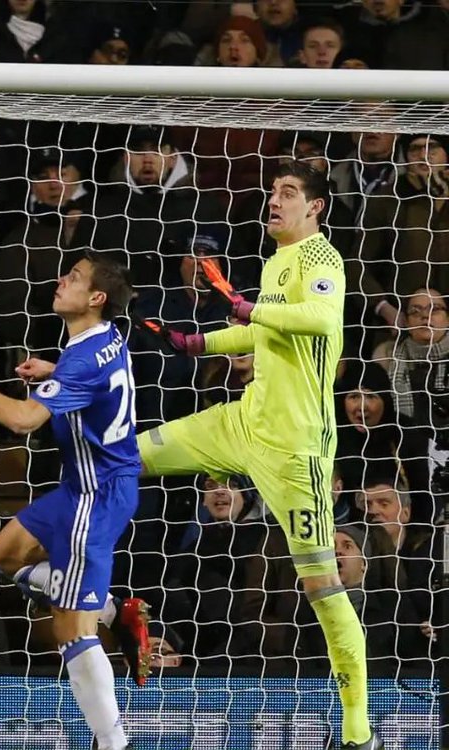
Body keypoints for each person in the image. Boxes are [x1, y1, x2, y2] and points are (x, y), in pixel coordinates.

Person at [138, 161, 380, 750]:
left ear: (315, 207)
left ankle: (357, 733)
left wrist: (251, 310)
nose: (275, 201)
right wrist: (196, 342)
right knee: (127, 456)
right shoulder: (276, 262)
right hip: (245, 419)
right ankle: (63, 572)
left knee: (322, 588)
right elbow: (262, 331)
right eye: (273, 192)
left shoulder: (324, 261)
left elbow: (321, 321)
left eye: (288, 193)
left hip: (297, 447)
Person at [0, 255, 149, 750]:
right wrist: (54, 370)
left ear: (96, 300)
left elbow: (23, 421)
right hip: (79, 488)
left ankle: (113, 742)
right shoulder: (99, 341)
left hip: (96, 499)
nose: (62, 282)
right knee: (2, 554)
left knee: (69, 634)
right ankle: (111, 612)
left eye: (75, 279)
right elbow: (91, 379)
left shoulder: (80, 358)